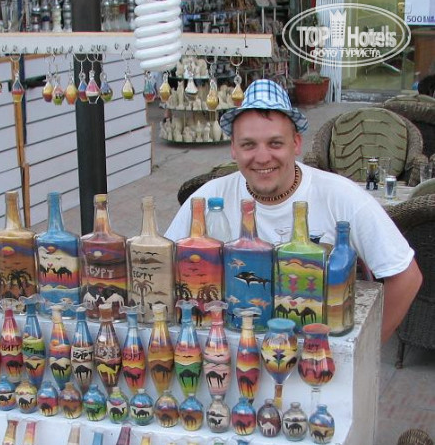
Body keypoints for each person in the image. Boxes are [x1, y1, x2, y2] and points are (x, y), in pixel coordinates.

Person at [165, 79, 422, 344]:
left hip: (314, 356)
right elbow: (164, 267)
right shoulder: (208, 198)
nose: (262, 157)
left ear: (296, 144)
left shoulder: (342, 197)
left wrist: (362, 352)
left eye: (275, 143)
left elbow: (406, 277)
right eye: (249, 145)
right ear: (233, 148)